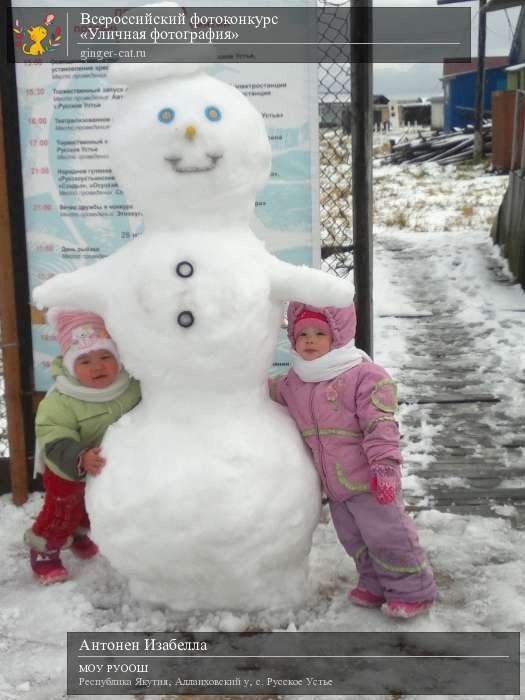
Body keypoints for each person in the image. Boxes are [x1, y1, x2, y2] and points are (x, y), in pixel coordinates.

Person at [270, 302, 437, 619]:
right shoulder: (295, 382)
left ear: (338, 335)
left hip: (370, 480)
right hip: (336, 485)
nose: (309, 340)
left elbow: (380, 425)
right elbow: (267, 390)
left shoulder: (362, 376)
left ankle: (413, 590)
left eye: (320, 333)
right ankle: (374, 583)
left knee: (388, 535)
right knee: (354, 538)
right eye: (302, 333)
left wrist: (385, 467)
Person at [24, 309, 141, 584]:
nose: (97, 366)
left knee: (90, 509)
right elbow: (54, 436)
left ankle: (79, 535)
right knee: (61, 511)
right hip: (66, 468)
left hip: (101, 467)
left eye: (105, 357)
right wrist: (79, 457)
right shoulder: (62, 399)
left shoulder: (130, 386)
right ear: (71, 365)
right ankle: (45, 550)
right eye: (85, 361)